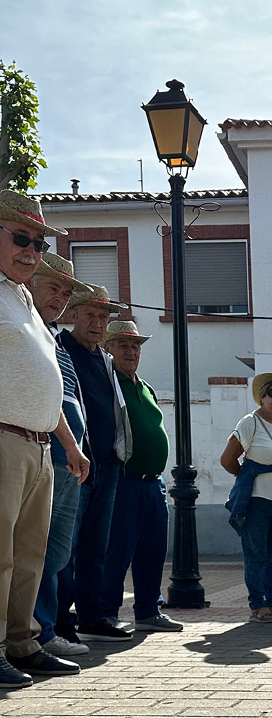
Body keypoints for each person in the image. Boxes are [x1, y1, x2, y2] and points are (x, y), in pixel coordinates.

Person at [0, 189, 85, 688]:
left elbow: (45, 384)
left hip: (39, 445)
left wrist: (70, 445)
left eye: (39, 242)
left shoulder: (24, 300)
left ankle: (23, 642)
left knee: (31, 555)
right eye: (21, 238)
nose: (31, 251)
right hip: (4, 439)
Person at [58, 283, 134, 642]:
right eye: (90, 315)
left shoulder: (105, 359)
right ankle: (60, 621)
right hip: (74, 465)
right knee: (65, 548)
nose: (98, 323)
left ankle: (92, 616)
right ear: (73, 314)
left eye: (103, 317)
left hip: (107, 466)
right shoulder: (60, 348)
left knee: (95, 547)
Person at [98, 320, 183, 632]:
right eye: (123, 345)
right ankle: (105, 613)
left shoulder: (145, 387)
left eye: (135, 346)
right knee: (117, 551)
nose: (131, 351)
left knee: (153, 550)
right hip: (124, 481)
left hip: (153, 483)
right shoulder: (108, 384)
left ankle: (148, 612)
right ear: (108, 349)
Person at [30, 253, 93, 658]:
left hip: (67, 459)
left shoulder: (51, 336)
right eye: (53, 287)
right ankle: (33, 634)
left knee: (55, 552)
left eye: (66, 293)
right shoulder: (27, 329)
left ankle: (44, 629)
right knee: (34, 549)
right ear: (31, 284)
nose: (60, 298)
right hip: (44, 452)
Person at [220, 372, 272, 622]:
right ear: (262, 396)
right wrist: (248, 476)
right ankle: (258, 605)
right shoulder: (250, 422)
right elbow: (227, 460)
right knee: (255, 555)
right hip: (257, 501)